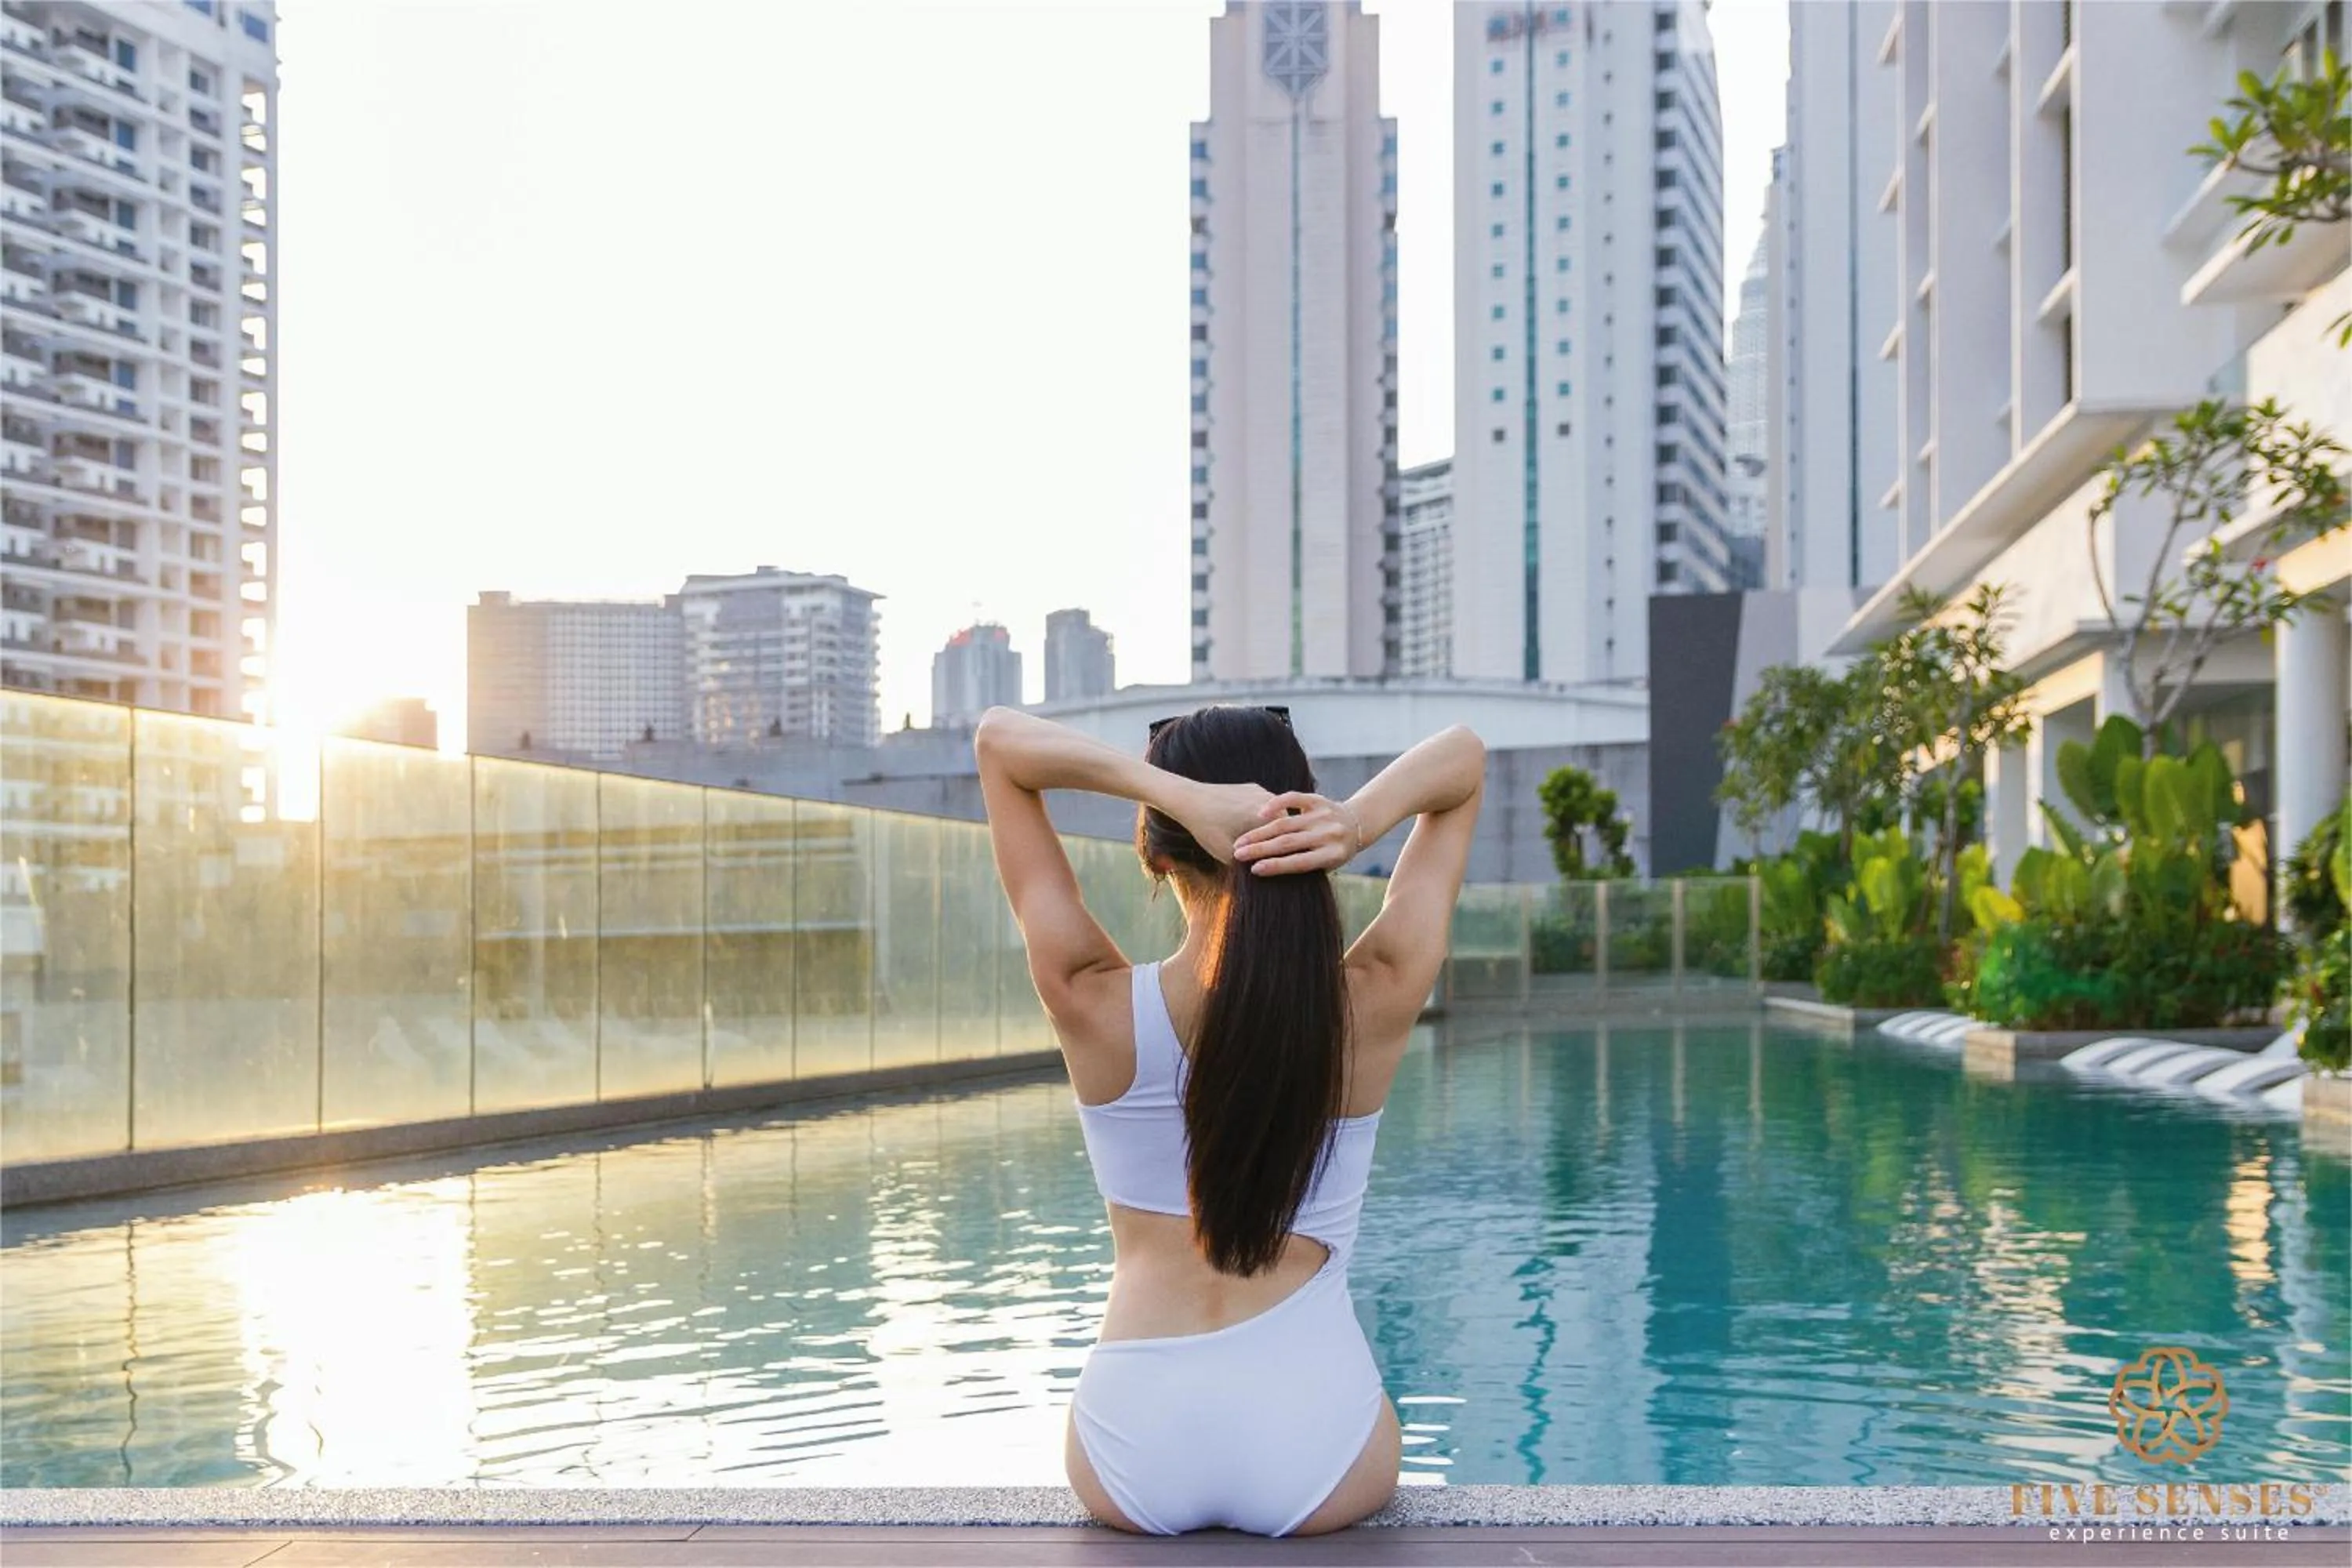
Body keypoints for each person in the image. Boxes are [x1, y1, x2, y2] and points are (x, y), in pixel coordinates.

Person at [972, 702, 1486, 1537]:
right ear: (1302, 820)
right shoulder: (1373, 996)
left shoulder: (1094, 997)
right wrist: (1353, 824)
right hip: (1322, 1446)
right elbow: (1462, 758)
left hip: (1129, 1445)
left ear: (1157, 851)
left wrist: (1171, 789)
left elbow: (999, 743)